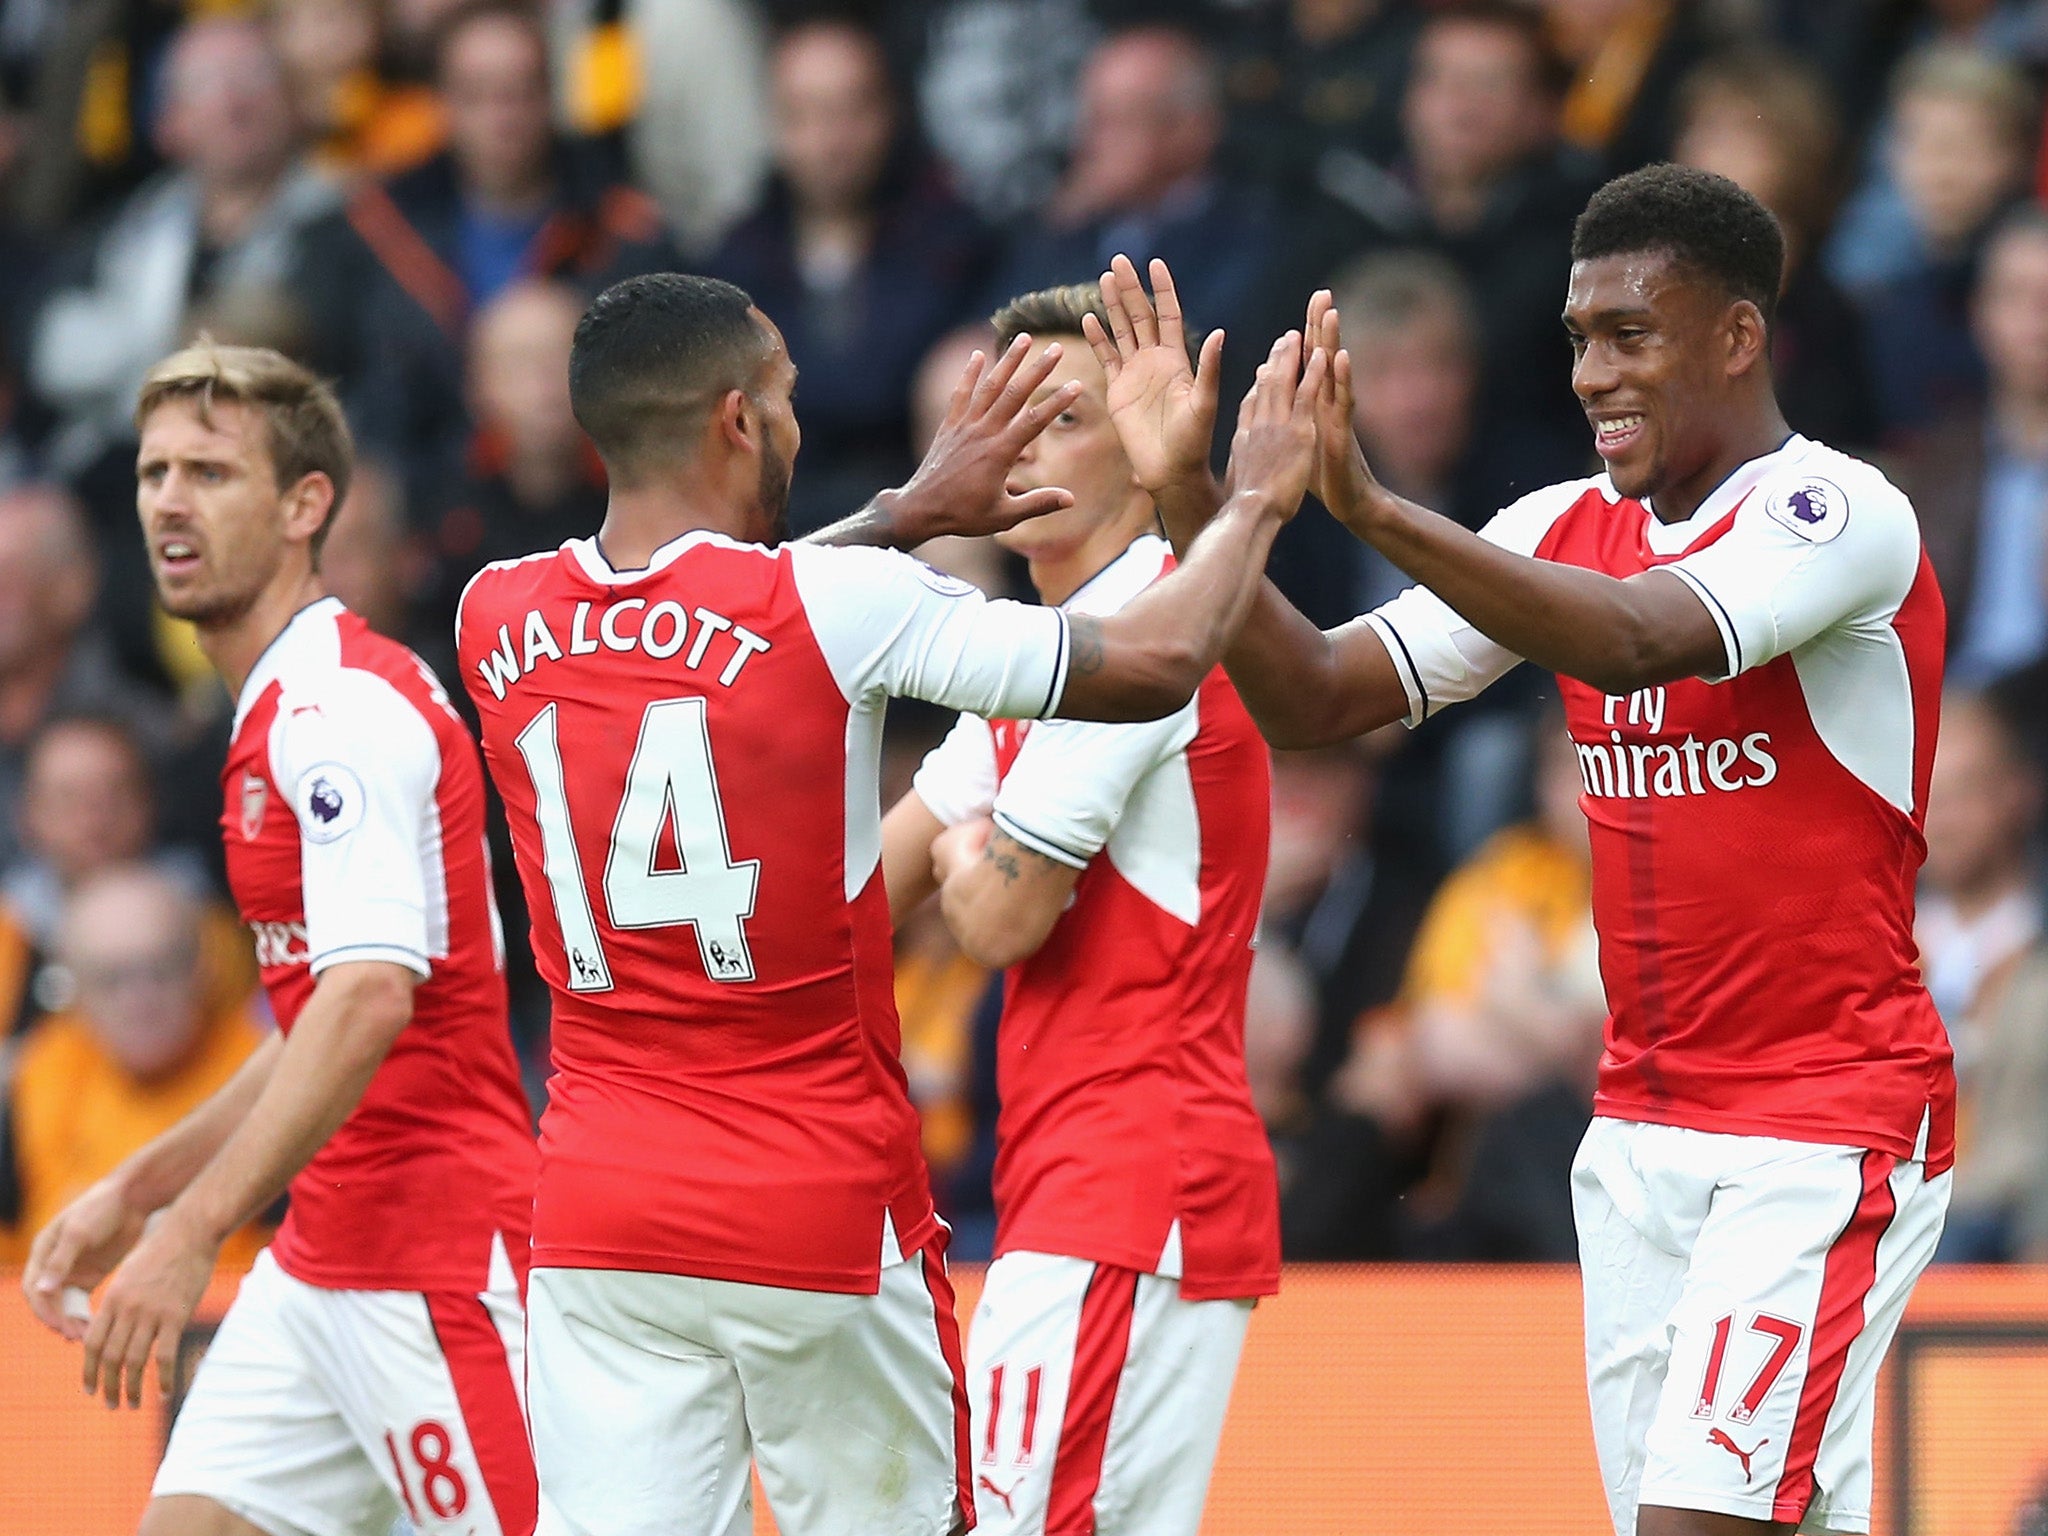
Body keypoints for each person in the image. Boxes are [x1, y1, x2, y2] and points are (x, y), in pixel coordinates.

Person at [1082, 162, 1953, 1536]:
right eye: (1576, 339)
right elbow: (1315, 700)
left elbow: (1637, 635)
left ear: (1738, 338)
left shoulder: (1837, 514)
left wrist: (1368, 508)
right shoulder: (1553, 527)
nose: (1594, 372)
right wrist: (1198, 496)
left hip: (1819, 1127)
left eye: (1631, 335)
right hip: (1638, 1133)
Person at [453, 270, 1317, 1535]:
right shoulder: (857, 610)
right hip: (814, 1200)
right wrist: (1251, 495)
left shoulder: (494, 612)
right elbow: (1160, 660)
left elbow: (716, 622)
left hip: (599, 1209)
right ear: (739, 423)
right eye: (789, 399)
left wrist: (908, 512)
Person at [21, 343, 539, 1536]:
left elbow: (365, 1003)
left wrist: (192, 1231)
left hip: (435, 1258)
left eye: (209, 472)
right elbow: (317, 1022)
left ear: (307, 506)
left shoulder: (336, 714)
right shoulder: (275, 704)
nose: (166, 501)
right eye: (154, 472)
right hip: (322, 1256)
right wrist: (140, 1190)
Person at [880, 281, 1280, 1535]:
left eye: (1055, 418)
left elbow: (997, 921)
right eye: (997, 421)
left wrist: (970, 857)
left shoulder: (1140, 632)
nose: (1013, 452)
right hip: (1080, 1188)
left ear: (1140, 442)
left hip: (1133, 1190)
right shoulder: (1036, 655)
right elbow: (863, 887)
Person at [706, 18, 995, 535]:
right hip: (774, 522)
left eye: (851, 110)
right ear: (776, 123)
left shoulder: (956, 242)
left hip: (926, 519)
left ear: (890, 113)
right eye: (807, 115)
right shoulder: (734, 259)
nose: (831, 140)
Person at [26, 15, 340, 480]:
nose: (234, 103)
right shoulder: (131, 225)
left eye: (255, 78)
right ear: (168, 123)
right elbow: (51, 349)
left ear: (294, 103)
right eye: (204, 86)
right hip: (115, 472)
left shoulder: (348, 225)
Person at [0, 865, 269, 1271]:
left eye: (161, 969)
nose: (140, 1000)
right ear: (76, 990)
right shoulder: (39, 1074)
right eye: (111, 979)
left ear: (202, 969)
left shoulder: (265, 1074)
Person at [1917, 688, 2048, 1262]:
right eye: (1928, 795)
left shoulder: (2036, 959)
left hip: (2015, 1245)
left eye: (1964, 792)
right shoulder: (1863, 952)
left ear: (2019, 792)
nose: (1942, 820)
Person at [1900, 208, 2048, 685]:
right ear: (1980, 313)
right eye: (2016, 296)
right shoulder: (1942, 458)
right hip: (1955, 712)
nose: (2035, 322)